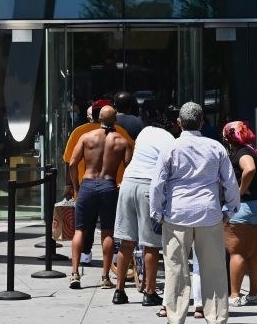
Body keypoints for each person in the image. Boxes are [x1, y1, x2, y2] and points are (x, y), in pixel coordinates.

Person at [150, 101, 240, 324]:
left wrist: (156, 211)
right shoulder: (216, 147)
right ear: (202, 122)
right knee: (213, 267)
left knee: (176, 268)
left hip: (177, 213)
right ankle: (216, 318)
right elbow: (230, 181)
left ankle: (176, 318)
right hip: (209, 213)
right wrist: (231, 209)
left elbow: (158, 183)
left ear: (179, 123)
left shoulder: (170, 148)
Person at [111, 118, 177, 306]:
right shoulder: (170, 139)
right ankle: (149, 292)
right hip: (148, 185)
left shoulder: (144, 132)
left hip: (128, 182)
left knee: (126, 241)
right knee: (151, 244)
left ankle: (119, 291)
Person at [67, 105, 132, 289]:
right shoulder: (122, 141)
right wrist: (121, 185)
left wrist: (76, 187)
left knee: (80, 230)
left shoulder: (86, 137)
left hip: (87, 184)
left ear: (99, 118)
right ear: (115, 120)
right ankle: (104, 276)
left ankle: (74, 273)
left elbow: (72, 163)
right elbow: (130, 169)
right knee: (107, 232)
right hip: (108, 186)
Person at [222, 120, 257, 307]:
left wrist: (239, 192)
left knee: (236, 251)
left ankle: (234, 295)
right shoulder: (252, 150)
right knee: (251, 251)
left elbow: (249, 168)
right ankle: (254, 293)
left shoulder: (242, 153)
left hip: (246, 206)